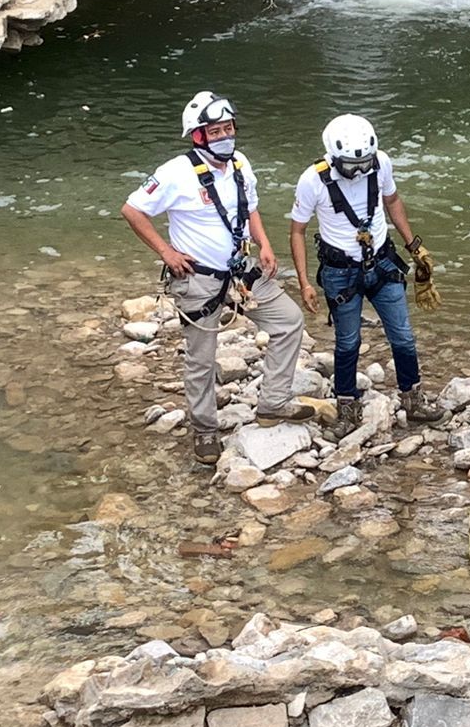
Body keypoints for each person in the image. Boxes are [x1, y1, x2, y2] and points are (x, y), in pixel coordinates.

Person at [122, 91, 316, 464]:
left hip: (242, 270)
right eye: (216, 131)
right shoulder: (175, 173)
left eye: (229, 128)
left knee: (289, 322)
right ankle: (205, 429)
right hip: (198, 278)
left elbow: (250, 208)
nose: (226, 136)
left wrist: (264, 244)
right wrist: (167, 252)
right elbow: (132, 210)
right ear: (198, 136)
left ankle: (273, 403)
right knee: (201, 357)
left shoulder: (240, 164)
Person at [288, 114, 445, 434]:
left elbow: (393, 200)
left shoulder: (381, 164)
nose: (359, 172)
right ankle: (347, 405)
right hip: (340, 272)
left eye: (365, 165)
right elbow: (297, 231)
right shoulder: (312, 181)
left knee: (402, 334)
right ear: (333, 157)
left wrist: (414, 246)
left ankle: (413, 398)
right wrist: (305, 283)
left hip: (383, 263)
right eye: (350, 166)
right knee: (348, 341)